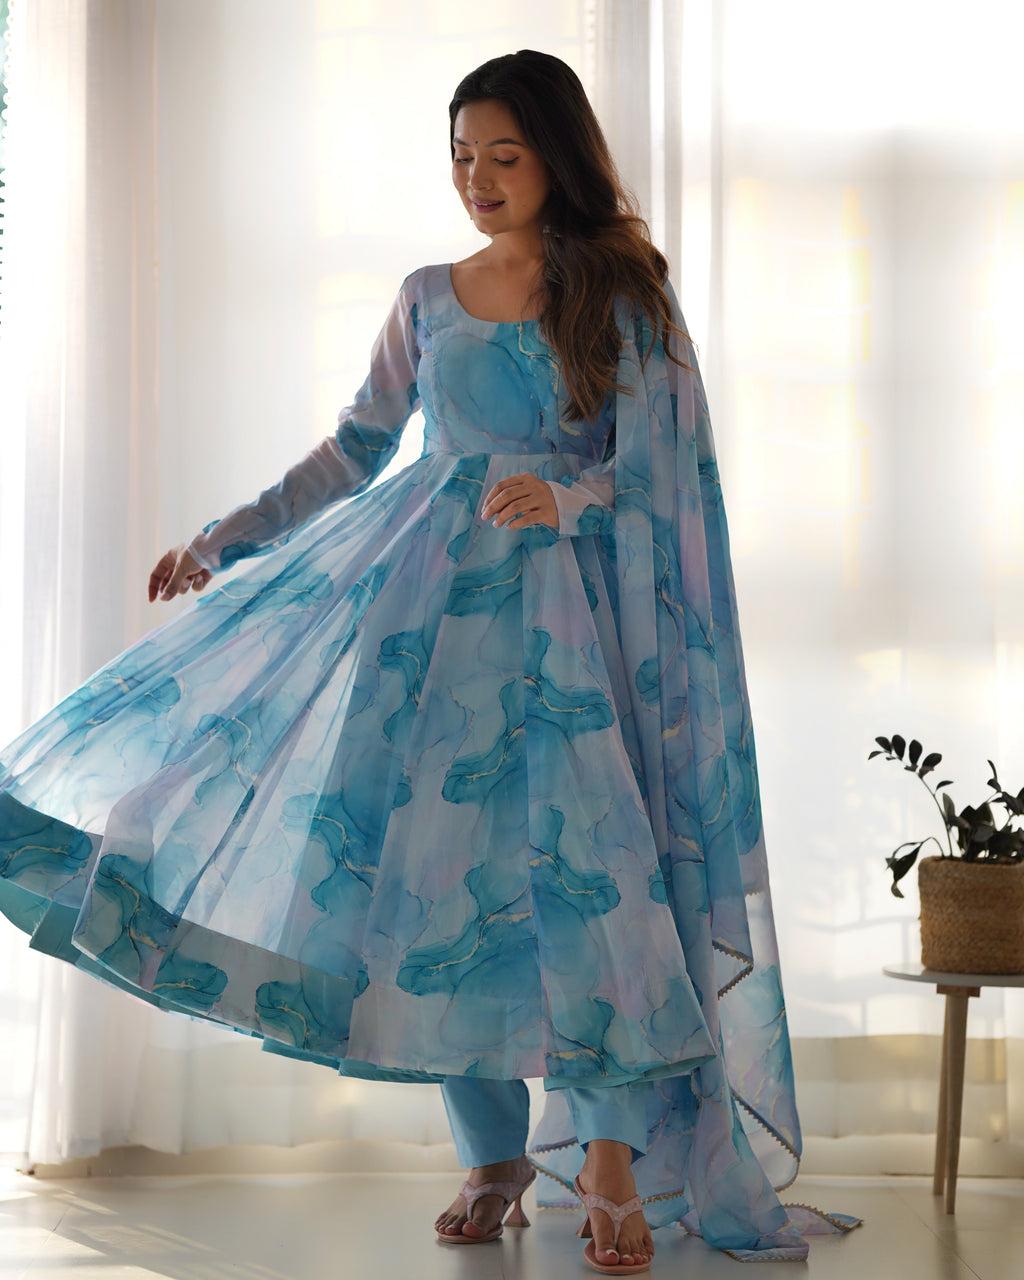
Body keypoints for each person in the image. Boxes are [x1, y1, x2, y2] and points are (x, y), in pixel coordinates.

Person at [0, 50, 856, 1272]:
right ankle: (493, 1149)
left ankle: (608, 1154)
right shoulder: (427, 295)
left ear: (556, 153)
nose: (477, 179)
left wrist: (569, 497)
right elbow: (355, 447)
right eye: (461, 155)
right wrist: (225, 539)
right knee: (440, 895)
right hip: (426, 637)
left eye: (502, 154)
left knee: (592, 891)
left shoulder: (623, 295)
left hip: (577, 633)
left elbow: (668, 478)